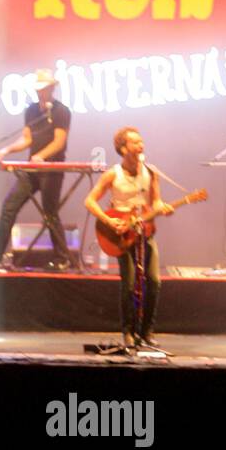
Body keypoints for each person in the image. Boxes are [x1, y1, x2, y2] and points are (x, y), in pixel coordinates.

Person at [85, 127, 172, 350]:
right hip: (122, 235)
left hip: (145, 232)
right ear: (123, 149)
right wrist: (107, 220)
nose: (141, 146)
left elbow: (156, 204)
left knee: (154, 281)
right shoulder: (113, 174)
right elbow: (90, 201)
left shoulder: (151, 173)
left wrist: (163, 208)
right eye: (135, 143)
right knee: (129, 283)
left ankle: (147, 332)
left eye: (142, 142)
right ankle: (128, 332)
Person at [0, 68, 72, 270]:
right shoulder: (31, 111)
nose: (39, 92)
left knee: (50, 212)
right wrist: (6, 150)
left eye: (43, 88)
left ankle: (62, 259)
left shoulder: (61, 111)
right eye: (37, 89)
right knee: (10, 205)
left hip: (51, 169)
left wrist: (42, 156)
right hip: (32, 170)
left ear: (51, 88)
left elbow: (59, 142)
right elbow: (27, 139)